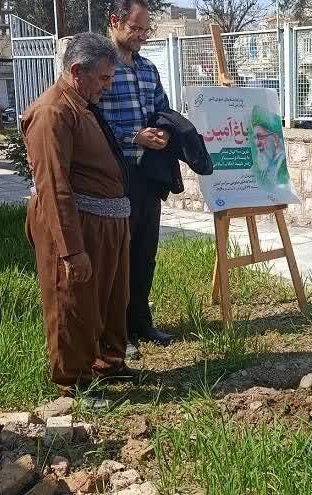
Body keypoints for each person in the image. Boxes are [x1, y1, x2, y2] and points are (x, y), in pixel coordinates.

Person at [23, 33, 137, 405]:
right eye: (103, 78)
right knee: (72, 302)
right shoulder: (52, 113)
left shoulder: (81, 104)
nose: (109, 86)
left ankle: (108, 363)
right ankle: (73, 382)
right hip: (79, 227)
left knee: (108, 299)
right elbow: (54, 187)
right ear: (77, 71)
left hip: (106, 223)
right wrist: (72, 251)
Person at [98, 0, 176, 359]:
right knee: (118, 256)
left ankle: (142, 322)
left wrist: (163, 132)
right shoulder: (99, 67)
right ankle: (118, 332)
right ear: (115, 22)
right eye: (136, 29)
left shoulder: (148, 69)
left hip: (147, 174)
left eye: (146, 30)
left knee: (145, 252)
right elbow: (90, 120)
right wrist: (134, 135)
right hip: (114, 175)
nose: (142, 37)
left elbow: (161, 108)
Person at [249, 105, 289, 189]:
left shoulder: (283, 166)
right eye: (255, 138)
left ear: (275, 139)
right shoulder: (268, 165)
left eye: (260, 137)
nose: (257, 143)